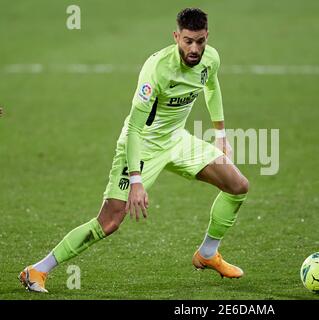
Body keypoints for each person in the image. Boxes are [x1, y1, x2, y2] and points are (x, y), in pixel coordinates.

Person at [19, 7, 249, 293]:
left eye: (200, 41)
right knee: (110, 221)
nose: (194, 48)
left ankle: (207, 253)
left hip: (177, 140)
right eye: (188, 41)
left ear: (207, 37)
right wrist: (137, 180)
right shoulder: (156, 69)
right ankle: (37, 270)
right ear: (176, 36)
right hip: (142, 145)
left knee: (237, 185)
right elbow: (135, 130)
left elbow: (211, 87)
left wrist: (221, 133)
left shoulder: (210, 58)